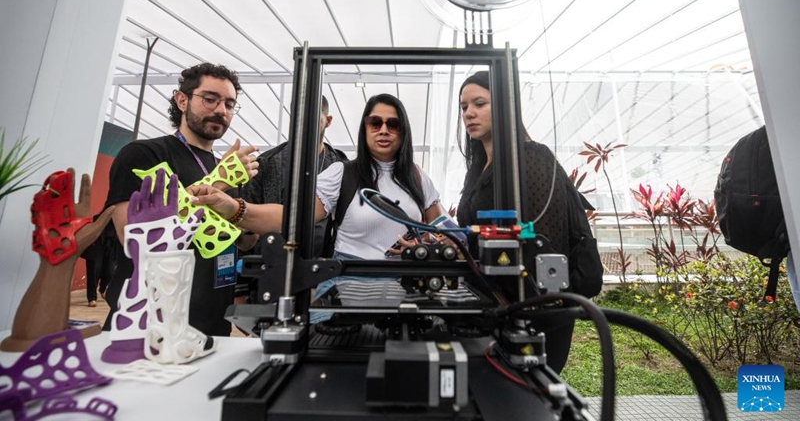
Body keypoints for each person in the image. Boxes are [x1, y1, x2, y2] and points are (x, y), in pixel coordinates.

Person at [189, 93, 444, 288]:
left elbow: (446, 229)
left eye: (394, 124)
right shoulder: (342, 172)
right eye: (375, 123)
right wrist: (234, 208)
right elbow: (292, 217)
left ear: (404, 131)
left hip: (408, 286)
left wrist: (428, 242)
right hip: (350, 286)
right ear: (364, 128)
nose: (384, 130)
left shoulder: (417, 176)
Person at [456, 70, 600, 374]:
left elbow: (543, 239)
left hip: (533, 306)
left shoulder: (532, 156)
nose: (469, 113)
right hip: (493, 302)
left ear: (505, 107)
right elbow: (474, 232)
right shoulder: (478, 167)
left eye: (479, 103)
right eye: (464, 106)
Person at [102, 63, 259, 337]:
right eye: (210, 99)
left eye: (229, 104)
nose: (221, 110)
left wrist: (246, 218)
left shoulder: (228, 167)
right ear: (182, 100)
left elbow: (245, 242)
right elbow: (133, 236)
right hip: (148, 324)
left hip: (211, 323)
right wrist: (220, 179)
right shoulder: (144, 155)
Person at [241, 95, 347, 258]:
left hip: (325, 269)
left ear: (328, 120)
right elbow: (246, 220)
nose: (304, 123)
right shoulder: (266, 163)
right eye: (298, 116)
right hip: (272, 267)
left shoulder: (342, 166)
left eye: (313, 117)